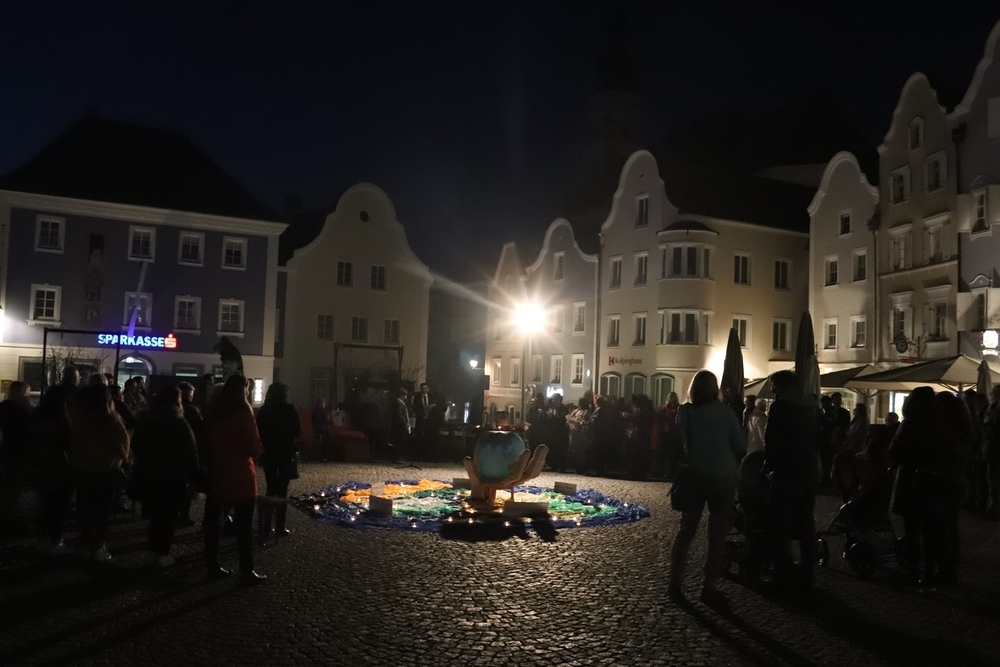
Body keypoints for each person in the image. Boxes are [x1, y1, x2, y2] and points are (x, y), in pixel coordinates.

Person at [668, 371, 745, 607]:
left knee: (686, 531)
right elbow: (739, 444)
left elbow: (683, 442)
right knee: (717, 535)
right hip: (723, 477)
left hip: (694, 476)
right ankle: (708, 587)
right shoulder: (725, 412)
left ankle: (675, 582)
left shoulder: (684, 412)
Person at [760, 370, 821, 593]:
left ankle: (782, 573)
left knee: (779, 524)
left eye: (774, 385)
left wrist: (768, 466)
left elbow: (771, 440)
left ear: (783, 386)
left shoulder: (780, 407)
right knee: (806, 523)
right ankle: (807, 573)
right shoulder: (811, 407)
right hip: (809, 469)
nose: (772, 389)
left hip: (787, 469)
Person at [204, 375, 265, 584]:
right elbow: (253, 447)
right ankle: (246, 571)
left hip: (218, 474)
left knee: (214, 526)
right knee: (244, 528)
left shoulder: (215, 414)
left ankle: (212, 566)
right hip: (241, 477)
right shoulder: (244, 414)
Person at [130, 387, 200, 567]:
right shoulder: (179, 422)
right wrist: (194, 476)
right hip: (173, 477)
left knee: (155, 517)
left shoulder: (147, 421)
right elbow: (190, 452)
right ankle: (162, 553)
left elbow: (136, 445)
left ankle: (151, 551)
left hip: (150, 474)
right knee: (168, 518)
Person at [889, 386, 947, 588]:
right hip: (934, 480)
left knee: (912, 530)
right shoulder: (940, 423)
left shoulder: (909, 424)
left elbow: (894, 451)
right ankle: (929, 573)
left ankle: (914, 572)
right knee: (931, 531)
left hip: (911, 480)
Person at [70, 384, 130, 561]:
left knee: (85, 509)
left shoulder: (80, 420)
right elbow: (123, 448)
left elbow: (73, 444)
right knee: (103, 511)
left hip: (84, 470)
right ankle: (99, 546)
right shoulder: (113, 422)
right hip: (107, 471)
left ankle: (85, 544)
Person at [256, 383, 302, 538]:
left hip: (269, 453)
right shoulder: (289, 409)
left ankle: (266, 526)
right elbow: (298, 431)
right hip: (285, 453)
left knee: (270, 487)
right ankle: (280, 526)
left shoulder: (264, 410)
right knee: (282, 490)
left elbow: (259, 431)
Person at [0, 381, 33, 534]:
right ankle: (9, 518)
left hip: (7, 449)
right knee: (14, 486)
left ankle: (7, 515)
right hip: (20, 451)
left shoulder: (4, 408)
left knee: (9, 485)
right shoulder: (24, 410)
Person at [567, 397, 594, 473]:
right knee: (576, 451)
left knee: (582, 451)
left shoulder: (586, 412)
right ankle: (577, 466)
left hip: (581, 434)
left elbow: (584, 422)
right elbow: (570, 417)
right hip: (574, 433)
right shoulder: (576, 411)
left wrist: (575, 422)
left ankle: (583, 467)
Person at [547, 393, 570, 473]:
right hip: (553, 432)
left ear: (560, 399)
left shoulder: (564, 408)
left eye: (555, 399)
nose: (553, 401)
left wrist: (552, 416)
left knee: (561, 450)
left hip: (561, 432)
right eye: (553, 399)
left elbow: (563, 419)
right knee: (554, 449)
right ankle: (554, 466)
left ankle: (562, 467)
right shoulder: (553, 408)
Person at [389, 388, 410, 461]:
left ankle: (398, 456)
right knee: (399, 441)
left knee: (400, 441)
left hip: (400, 425)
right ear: (401, 395)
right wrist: (405, 423)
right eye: (405, 395)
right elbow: (399, 415)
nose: (406, 397)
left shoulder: (400, 403)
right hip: (400, 425)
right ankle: (397, 457)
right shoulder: (398, 403)